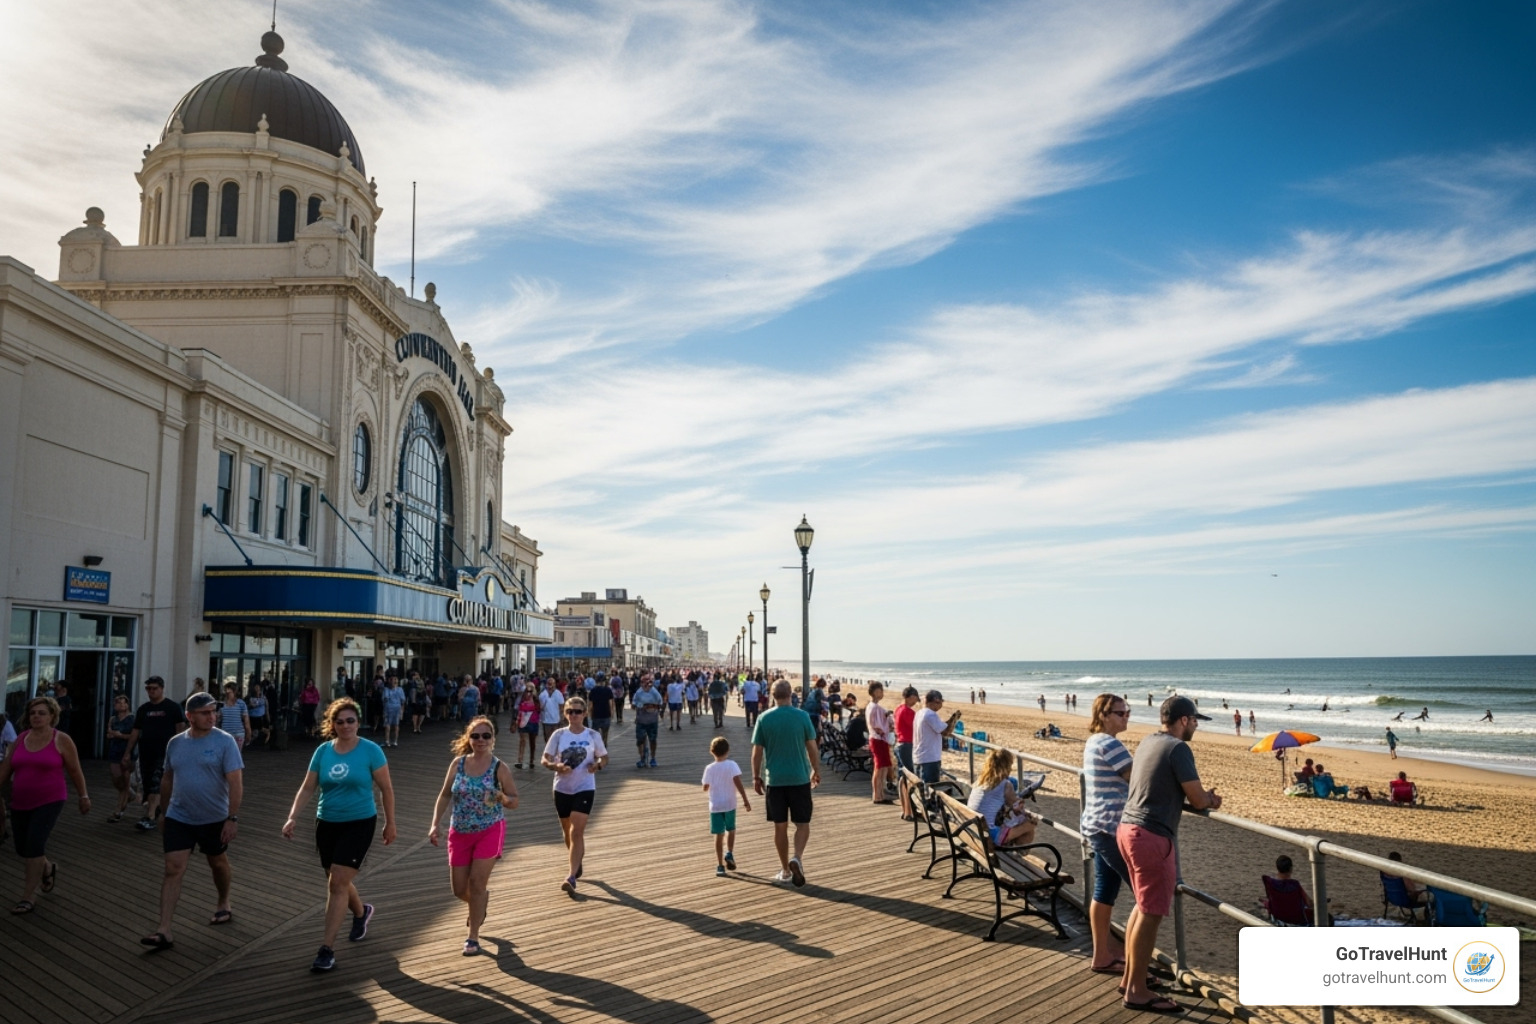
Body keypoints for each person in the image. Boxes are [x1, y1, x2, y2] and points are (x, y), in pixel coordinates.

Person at [1117, 696, 1219, 1014]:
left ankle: (1130, 979)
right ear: (1184, 720)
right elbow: (1198, 799)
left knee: (1142, 907)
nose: (1196, 726)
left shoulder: (1148, 742)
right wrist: (1210, 800)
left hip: (1128, 829)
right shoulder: (1178, 749)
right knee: (1151, 914)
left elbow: (1157, 787)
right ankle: (1136, 991)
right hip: (1151, 836)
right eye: (1195, 720)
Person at [281, 698, 397, 972]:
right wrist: (292, 816)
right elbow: (308, 787)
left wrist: (390, 823)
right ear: (332, 724)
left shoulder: (371, 751)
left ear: (358, 722)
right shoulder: (323, 751)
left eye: (350, 721)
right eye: (340, 721)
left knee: (337, 883)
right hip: (327, 822)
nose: (345, 726)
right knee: (336, 879)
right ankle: (361, 912)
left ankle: (326, 949)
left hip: (360, 822)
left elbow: (386, 789)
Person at [139, 692, 244, 950]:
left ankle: (223, 901)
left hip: (214, 817)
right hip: (180, 816)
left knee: (217, 862)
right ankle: (164, 930)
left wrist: (231, 818)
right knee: (173, 868)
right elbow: (167, 778)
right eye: (205, 713)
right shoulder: (176, 743)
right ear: (190, 716)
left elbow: (235, 783)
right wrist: (163, 812)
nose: (212, 717)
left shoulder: (225, 742)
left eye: (213, 712)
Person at [429, 716, 519, 955]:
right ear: (468, 738)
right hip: (459, 831)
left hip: (490, 829)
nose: (481, 740)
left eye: (486, 736)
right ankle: (480, 903)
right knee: (459, 890)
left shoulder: (499, 768)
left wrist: (502, 797)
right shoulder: (458, 764)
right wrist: (435, 824)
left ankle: (473, 936)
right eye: (475, 736)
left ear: (493, 739)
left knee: (477, 883)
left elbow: (514, 800)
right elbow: (445, 794)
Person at [0, 697, 91, 913]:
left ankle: (28, 897)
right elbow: (5, 769)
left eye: (42, 713)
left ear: (52, 716)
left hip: (50, 800)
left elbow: (75, 770)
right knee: (23, 848)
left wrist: (83, 796)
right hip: (20, 801)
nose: (36, 717)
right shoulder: (20, 739)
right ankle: (47, 867)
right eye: (33, 713)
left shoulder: (61, 739)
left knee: (34, 845)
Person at [1082, 693, 1135, 976]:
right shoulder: (1109, 743)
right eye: (1120, 713)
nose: (1126, 717)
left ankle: (1101, 955)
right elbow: (1137, 779)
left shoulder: (1094, 741)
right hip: (1110, 828)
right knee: (1145, 897)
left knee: (1105, 890)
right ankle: (1136, 967)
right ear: (1103, 715)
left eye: (1128, 712)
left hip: (1098, 825)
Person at [751, 680, 820, 886]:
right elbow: (812, 747)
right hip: (799, 778)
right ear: (791, 694)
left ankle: (785, 870)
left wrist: (756, 776)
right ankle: (796, 857)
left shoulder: (764, 718)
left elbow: (757, 751)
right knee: (802, 824)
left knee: (780, 827)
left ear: (772, 695)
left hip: (775, 780)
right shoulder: (802, 716)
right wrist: (816, 770)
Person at [540, 697, 608, 894]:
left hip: (585, 786)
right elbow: (545, 758)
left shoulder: (593, 735)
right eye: (570, 711)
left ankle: (570, 876)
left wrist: (597, 766)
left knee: (576, 831)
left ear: (585, 714)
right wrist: (555, 766)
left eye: (578, 712)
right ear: (565, 714)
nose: (574, 715)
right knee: (567, 829)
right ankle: (577, 861)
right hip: (562, 787)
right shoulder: (559, 735)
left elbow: (604, 757)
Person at [122, 676, 187, 831]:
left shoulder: (172, 707)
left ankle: (150, 816)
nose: (151, 691)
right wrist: (127, 752)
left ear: (162, 688)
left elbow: (180, 729)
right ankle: (157, 809)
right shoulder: (143, 709)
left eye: (154, 688)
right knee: (147, 783)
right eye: (148, 688)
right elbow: (136, 731)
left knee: (156, 782)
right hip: (146, 752)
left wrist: (180, 750)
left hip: (165, 753)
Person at [967, 747, 1038, 847]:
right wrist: (1022, 802)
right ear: (1006, 767)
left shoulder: (980, 781)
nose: (1011, 769)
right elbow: (1016, 805)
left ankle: (1016, 850)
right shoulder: (1005, 785)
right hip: (990, 836)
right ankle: (1019, 852)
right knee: (1031, 823)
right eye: (1010, 766)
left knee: (1017, 822)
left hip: (971, 829)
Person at [702, 736, 751, 877]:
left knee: (719, 834)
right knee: (731, 829)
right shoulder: (732, 765)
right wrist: (745, 799)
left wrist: (708, 786)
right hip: (730, 804)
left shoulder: (709, 768)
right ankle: (729, 852)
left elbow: (705, 787)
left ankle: (720, 865)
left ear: (712, 751)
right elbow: (737, 782)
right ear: (728, 750)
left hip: (715, 806)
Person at [912, 690, 958, 784]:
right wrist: (954, 719)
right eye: (941, 702)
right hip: (929, 758)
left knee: (920, 786)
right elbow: (945, 731)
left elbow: (940, 727)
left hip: (919, 756)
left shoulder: (919, 713)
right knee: (930, 787)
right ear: (936, 701)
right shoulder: (930, 714)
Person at [105, 694, 136, 821]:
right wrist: (112, 735)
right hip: (114, 751)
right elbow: (109, 732)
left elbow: (134, 736)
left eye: (124, 703)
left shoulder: (132, 719)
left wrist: (121, 735)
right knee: (116, 779)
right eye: (119, 703)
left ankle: (119, 809)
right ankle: (131, 794)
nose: (122, 705)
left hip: (126, 751)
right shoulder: (113, 719)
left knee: (125, 780)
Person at [1263, 854, 1316, 925]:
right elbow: (1309, 903)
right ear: (1291, 869)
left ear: (1277, 868)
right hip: (1296, 918)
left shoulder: (1271, 883)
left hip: (1278, 915)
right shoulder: (1295, 885)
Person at [865, 683, 896, 805]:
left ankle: (880, 794)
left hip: (878, 739)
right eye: (880, 691)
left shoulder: (873, 706)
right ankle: (877, 796)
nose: (882, 693)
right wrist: (888, 727)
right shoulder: (874, 707)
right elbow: (877, 727)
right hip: (878, 740)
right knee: (879, 768)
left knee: (882, 767)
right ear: (875, 692)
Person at [893, 686, 920, 820]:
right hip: (906, 744)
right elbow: (916, 727)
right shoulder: (908, 711)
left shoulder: (898, 709)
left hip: (900, 743)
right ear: (911, 697)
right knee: (909, 778)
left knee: (902, 778)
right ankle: (909, 811)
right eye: (915, 699)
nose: (915, 702)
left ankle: (905, 809)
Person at [632, 677, 663, 768]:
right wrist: (641, 706)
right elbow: (633, 704)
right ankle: (642, 757)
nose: (646, 687)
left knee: (652, 740)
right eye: (644, 684)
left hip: (652, 720)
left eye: (648, 685)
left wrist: (652, 706)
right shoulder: (638, 693)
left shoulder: (655, 692)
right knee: (640, 740)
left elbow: (660, 703)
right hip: (641, 720)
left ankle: (653, 758)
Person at [514, 687, 540, 768]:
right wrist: (515, 722)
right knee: (522, 741)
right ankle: (520, 760)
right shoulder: (521, 700)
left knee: (532, 742)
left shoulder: (536, 701)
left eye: (531, 691)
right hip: (523, 723)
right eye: (527, 691)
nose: (528, 693)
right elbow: (517, 710)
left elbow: (540, 709)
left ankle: (531, 760)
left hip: (533, 722)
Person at [218, 684, 251, 748]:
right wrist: (248, 734)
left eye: (228, 691)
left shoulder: (222, 704)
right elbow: (246, 722)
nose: (227, 692)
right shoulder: (241, 703)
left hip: (229, 734)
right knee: (235, 753)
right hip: (234, 734)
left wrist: (248, 733)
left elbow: (217, 720)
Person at [587, 675, 614, 744]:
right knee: (605, 735)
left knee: (595, 735)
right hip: (606, 715)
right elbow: (610, 704)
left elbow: (591, 705)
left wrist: (589, 714)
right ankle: (604, 746)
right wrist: (612, 713)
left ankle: (598, 747)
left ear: (596, 681)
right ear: (604, 681)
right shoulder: (608, 690)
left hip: (596, 715)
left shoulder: (593, 691)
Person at [537, 678, 565, 742]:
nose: (551, 685)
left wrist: (561, 718)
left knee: (556, 740)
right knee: (548, 740)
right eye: (549, 683)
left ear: (555, 684)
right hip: (546, 721)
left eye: (552, 683)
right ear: (546, 684)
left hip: (556, 721)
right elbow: (540, 708)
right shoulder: (542, 694)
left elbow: (561, 707)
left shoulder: (558, 694)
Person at [380, 677, 405, 748]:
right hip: (397, 708)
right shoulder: (400, 689)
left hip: (389, 708)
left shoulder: (386, 689)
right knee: (396, 725)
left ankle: (387, 741)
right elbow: (403, 700)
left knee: (388, 725)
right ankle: (394, 742)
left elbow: (385, 699)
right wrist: (402, 710)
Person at [247, 683, 271, 748]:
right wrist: (251, 706)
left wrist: (268, 718)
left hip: (259, 717)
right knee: (253, 731)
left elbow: (266, 708)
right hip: (251, 717)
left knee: (257, 731)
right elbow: (247, 706)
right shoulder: (249, 697)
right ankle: (248, 742)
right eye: (255, 688)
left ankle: (250, 743)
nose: (257, 690)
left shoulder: (263, 698)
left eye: (258, 688)